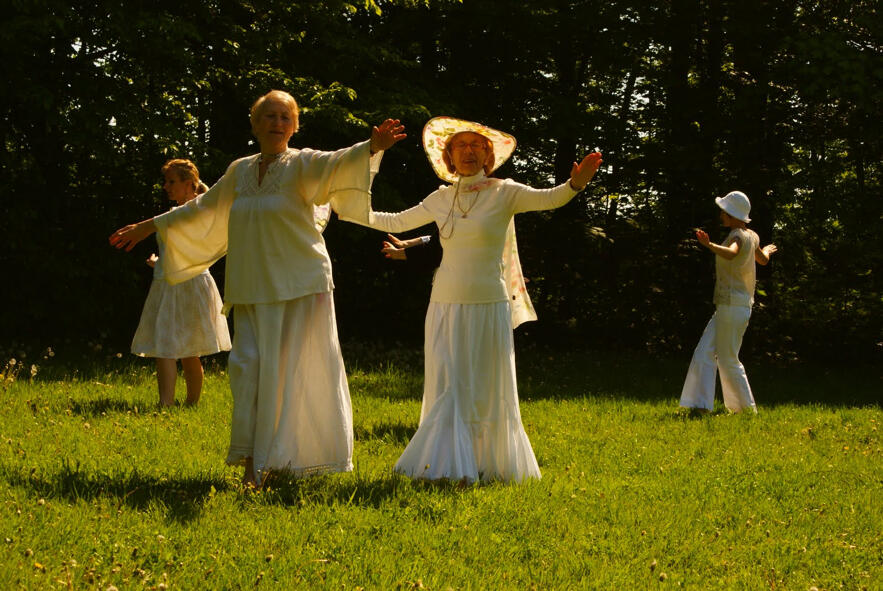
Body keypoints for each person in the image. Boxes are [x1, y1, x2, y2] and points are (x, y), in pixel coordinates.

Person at [110, 90, 406, 486]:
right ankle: (257, 458)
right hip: (250, 288)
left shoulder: (302, 163)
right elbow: (202, 207)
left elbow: (337, 162)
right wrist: (149, 226)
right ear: (255, 123)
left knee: (287, 375)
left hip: (300, 285)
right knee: (247, 369)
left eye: (285, 116)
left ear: (294, 125)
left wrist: (372, 146)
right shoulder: (240, 170)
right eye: (269, 115)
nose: (277, 123)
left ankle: (267, 466)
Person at [343, 116, 602, 483]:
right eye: (460, 146)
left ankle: (484, 462)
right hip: (444, 305)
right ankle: (447, 464)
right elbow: (391, 221)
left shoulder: (505, 192)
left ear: (487, 155)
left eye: (476, 145)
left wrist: (576, 183)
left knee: (484, 386)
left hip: (489, 306)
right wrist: (350, 196)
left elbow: (551, 198)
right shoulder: (440, 198)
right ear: (448, 155)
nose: (468, 151)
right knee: (449, 384)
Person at [130, 159, 232, 407]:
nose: (166, 186)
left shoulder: (195, 211)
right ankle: (180, 402)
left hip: (188, 285)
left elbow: (196, 250)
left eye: (171, 181)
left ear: (189, 184)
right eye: (166, 181)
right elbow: (182, 252)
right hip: (172, 283)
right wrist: (159, 263)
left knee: (179, 348)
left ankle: (174, 403)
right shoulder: (180, 213)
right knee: (177, 347)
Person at [678, 191, 777, 414]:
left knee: (728, 358)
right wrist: (767, 250)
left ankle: (745, 410)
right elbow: (762, 260)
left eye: (724, 211)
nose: (721, 215)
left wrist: (709, 245)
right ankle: (699, 405)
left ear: (732, 214)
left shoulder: (737, 236)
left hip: (733, 306)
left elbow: (731, 254)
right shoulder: (752, 235)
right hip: (730, 305)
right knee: (704, 351)